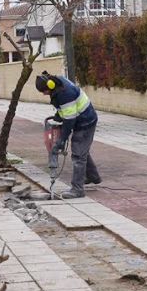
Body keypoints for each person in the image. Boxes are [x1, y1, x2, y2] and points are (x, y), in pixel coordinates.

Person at [36, 71, 101, 199]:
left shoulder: (65, 93)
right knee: (82, 151)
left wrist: (62, 139)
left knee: (78, 155)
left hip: (85, 122)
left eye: (44, 91)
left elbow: (70, 119)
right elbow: (67, 109)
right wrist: (59, 115)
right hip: (81, 118)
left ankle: (77, 189)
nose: (44, 94)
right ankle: (93, 176)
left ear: (50, 85)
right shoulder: (57, 83)